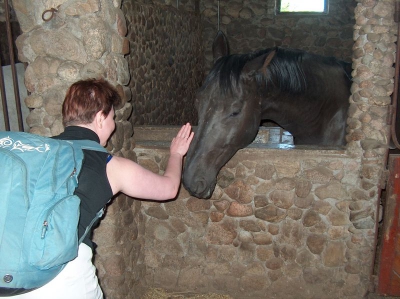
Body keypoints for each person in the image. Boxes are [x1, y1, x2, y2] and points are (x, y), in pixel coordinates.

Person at [9, 78, 194, 299]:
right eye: (112, 118)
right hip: (58, 280)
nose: (113, 126)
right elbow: (169, 188)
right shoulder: (108, 165)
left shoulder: (37, 150)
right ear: (99, 118)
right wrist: (176, 154)